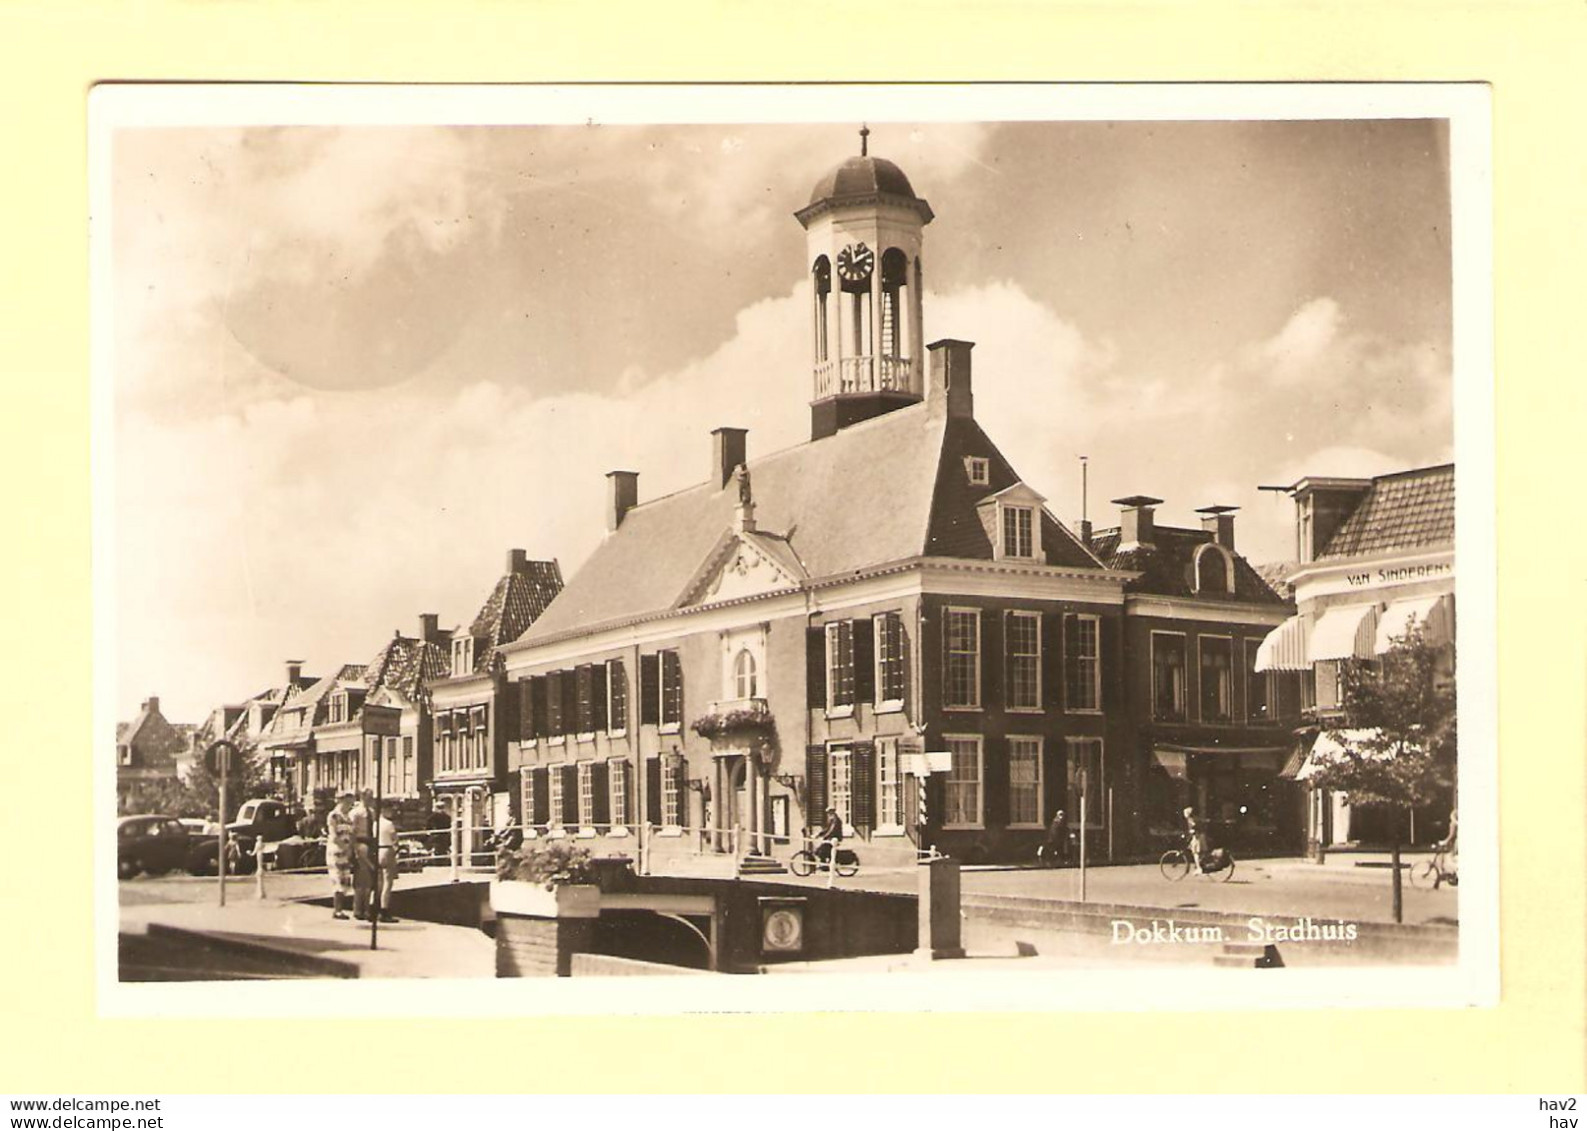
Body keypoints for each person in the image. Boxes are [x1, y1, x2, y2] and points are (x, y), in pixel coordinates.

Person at [325, 791, 356, 920]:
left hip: (346, 851)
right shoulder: (334, 816)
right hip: (336, 851)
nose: (350, 805)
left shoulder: (348, 817)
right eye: (348, 802)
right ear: (341, 801)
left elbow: (351, 834)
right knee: (337, 878)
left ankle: (340, 909)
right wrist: (344, 847)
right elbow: (333, 835)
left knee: (345, 880)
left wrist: (350, 848)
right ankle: (337, 910)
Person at [350, 791, 374, 920]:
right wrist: (354, 848)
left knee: (369, 880)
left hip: (370, 843)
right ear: (363, 797)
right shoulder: (356, 813)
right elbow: (352, 832)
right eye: (369, 797)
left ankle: (367, 909)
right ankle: (358, 909)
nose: (371, 799)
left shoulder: (371, 812)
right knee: (360, 879)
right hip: (360, 843)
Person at [373, 802, 399, 923]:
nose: (391, 812)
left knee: (379, 882)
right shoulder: (389, 824)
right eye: (389, 809)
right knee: (388, 882)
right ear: (383, 810)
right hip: (387, 849)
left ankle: (374, 907)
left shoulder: (375, 824)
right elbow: (394, 839)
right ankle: (384, 910)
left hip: (378, 850)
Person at [1183, 806, 1208, 873]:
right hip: (1202, 835)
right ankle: (1201, 864)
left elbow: (1194, 827)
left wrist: (1190, 832)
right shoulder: (1196, 818)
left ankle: (1199, 868)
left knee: (1195, 853)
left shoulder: (1191, 820)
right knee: (1201, 851)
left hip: (1197, 836)